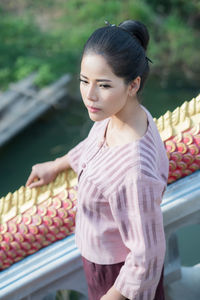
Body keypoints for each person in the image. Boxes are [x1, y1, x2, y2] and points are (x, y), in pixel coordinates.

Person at [26, 20, 169, 300]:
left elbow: (147, 255)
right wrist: (56, 165)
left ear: (133, 84)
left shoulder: (134, 171)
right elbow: (94, 148)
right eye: (84, 81)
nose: (89, 96)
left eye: (103, 85)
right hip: (100, 258)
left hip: (117, 274)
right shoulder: (121, 115)